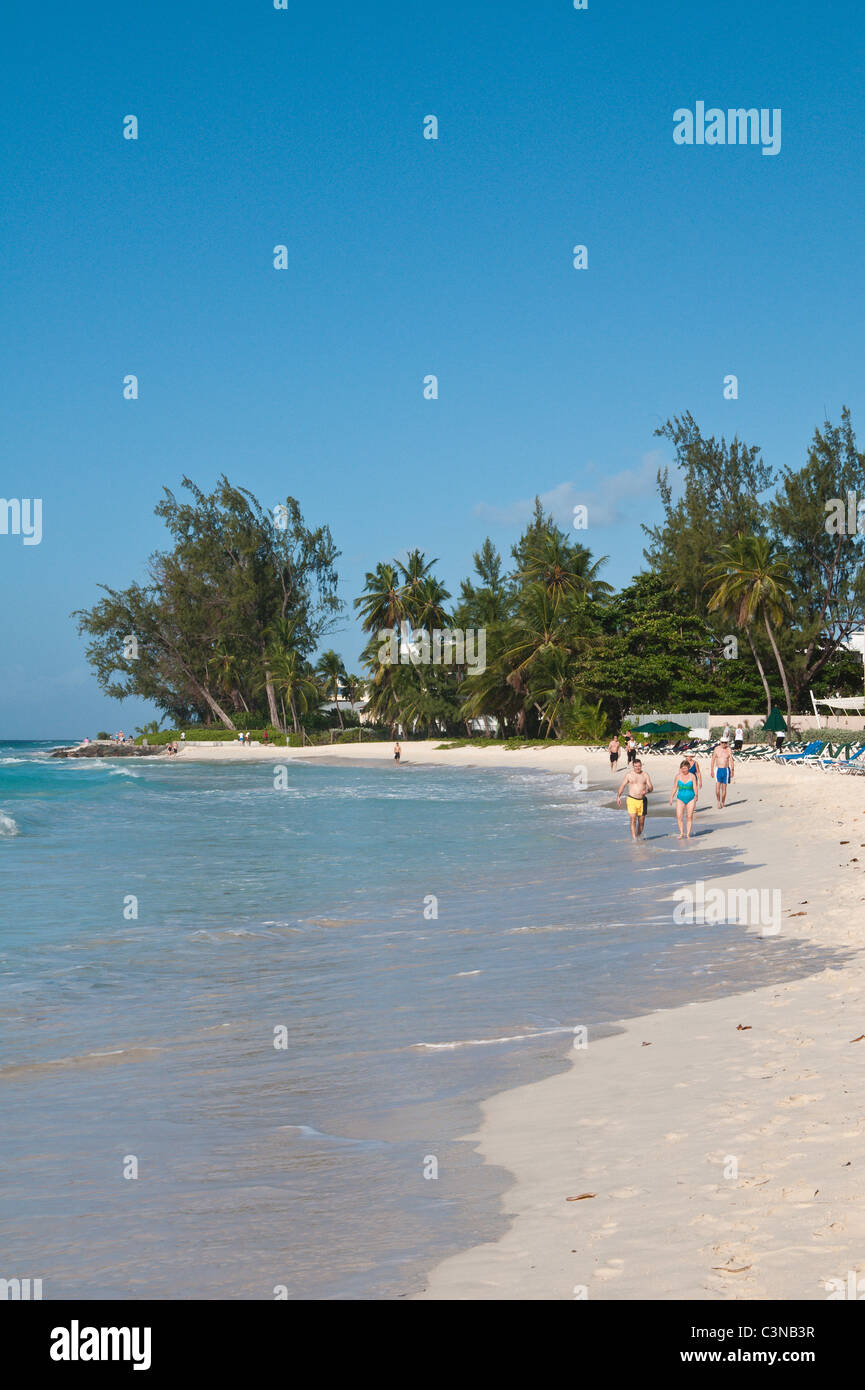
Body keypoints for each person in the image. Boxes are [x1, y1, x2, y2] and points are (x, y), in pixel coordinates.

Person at [617, 758, 653, 840]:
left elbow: (651, 787)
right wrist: (618, 796)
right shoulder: (629, 775)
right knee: (633, 819)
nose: (637, 768)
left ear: (641, 766)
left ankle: (638, 836)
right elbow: (622, 785)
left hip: (642, 801)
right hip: (631, 800)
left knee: (641, 822)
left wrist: (647, 791)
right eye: (636, 766)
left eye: (639, 766)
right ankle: (634, 839)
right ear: (633, 766)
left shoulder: (645, 775)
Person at [670, 758, 698, 839]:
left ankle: (688, 834)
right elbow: (675, 787)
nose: (683, 770)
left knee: (689, 816)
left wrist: (696, 796)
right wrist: (671, 797)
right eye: (682, 768)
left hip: (691, 798)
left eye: (685, 768)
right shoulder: (678, 776)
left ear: (688, 768)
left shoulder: (692, 776)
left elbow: (695, 787)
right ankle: (681, 833)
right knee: (679, 816)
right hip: (680, 798)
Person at [711, 737, 734, 808]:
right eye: (722, 742)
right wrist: (711, 770)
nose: (724, 744)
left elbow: (731, 760)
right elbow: (713, 760)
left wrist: (732, 770)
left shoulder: (728, 749)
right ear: (720, 742)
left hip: (726, 770)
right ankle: (718, 801)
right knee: (717, 787)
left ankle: (723, 802)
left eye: (725, 743)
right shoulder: (716, 749)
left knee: (724, 788)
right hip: (718, 770)